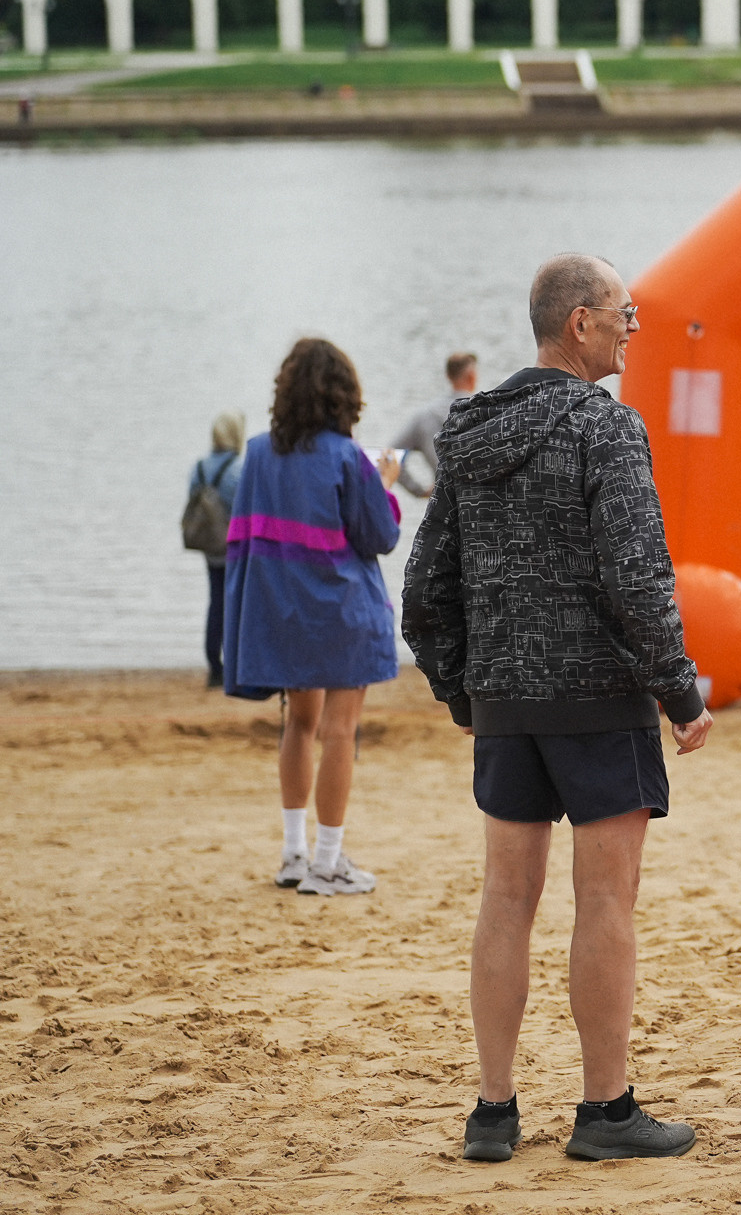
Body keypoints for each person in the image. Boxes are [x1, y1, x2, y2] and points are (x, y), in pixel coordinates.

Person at [402, 253, 712, 1166]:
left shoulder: (468, 432)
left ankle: (493, 1112)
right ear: (579, 323)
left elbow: (424, 590)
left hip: (504, 698)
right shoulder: (604, 429)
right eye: (625, 313)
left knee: (506, 898)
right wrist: (680, 693)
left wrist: (462, 688)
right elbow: (638, 579)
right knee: (604, 898)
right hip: (597, 699)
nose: (633, 326)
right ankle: (605, 1110)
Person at [221, 339, 404, 897]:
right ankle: (328, 863)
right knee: (340, 731)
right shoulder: (348, 457)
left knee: (299, 724)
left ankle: (294, 855)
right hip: (342, 615)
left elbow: (245, 541)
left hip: (284, 614)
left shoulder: (255, 453)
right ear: (344, 397)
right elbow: (381, 536)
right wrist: (387, 486)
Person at [187, 411, 246, 690]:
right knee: (235, 604)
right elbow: (246, 509)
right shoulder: (238, 468)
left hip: (210, 545)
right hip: (235, 547)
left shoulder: (198, 468)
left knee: (216, 601)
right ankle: (234, 665)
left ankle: (214, 665)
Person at [389, 352, 479, 499]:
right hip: (481, 500)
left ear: (448, 376)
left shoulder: (424, 416)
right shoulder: (483, 411)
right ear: (472, 376)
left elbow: (390, 456)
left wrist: (419, 491)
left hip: (444, 501)